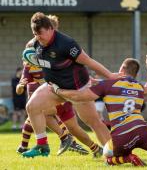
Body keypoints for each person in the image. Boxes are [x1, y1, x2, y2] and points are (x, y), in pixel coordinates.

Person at [52, 58, 147, 166]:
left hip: (122, 136)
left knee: (106, 155)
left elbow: (79, 97)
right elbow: (123, 86)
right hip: (143, 131)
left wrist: (58, 90)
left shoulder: (108, 85)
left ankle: (127, 158)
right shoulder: (140, 87)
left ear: (121, 70)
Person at [22, 12, 112, 158]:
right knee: (32, 107)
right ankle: (42, 145)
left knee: (93, 122)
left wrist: (110, 75)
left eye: (40, 34)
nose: (38, 37)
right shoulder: (34, 44)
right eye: (35, 34)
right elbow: (30, 57)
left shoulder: (67, 43)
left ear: (51, 29)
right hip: (54, 87)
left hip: (78, 89)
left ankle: (114, 152)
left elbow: (89, 61)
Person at [16, 15, 89, 156]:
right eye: (37, 35)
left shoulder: (59, 45)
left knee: (66, 122)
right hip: (42, 89)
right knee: (38, 112)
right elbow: (27, 65)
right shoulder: (34, 47)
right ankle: (57, 140)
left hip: (57, 88)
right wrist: (22, 83)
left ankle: (86, 145)